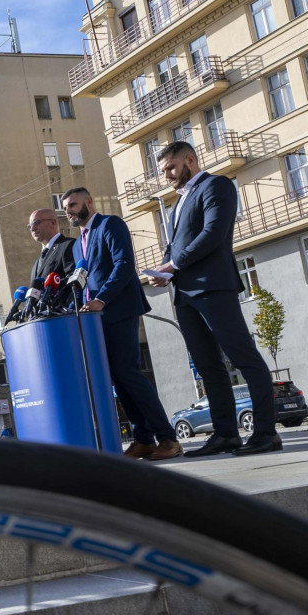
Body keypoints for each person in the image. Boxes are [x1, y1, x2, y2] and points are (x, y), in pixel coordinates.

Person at [149, 141, 281, 456]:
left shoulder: (216, 185)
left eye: (170, 167)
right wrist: (165, 271)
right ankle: (225, 435)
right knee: (208, 366)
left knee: (244, 358)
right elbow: (175, 248)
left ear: (190, 160)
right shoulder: (176, 203)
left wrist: (173, 264)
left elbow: (213, 233)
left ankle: (266, 433)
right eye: (163, 170)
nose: (166, 175)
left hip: (214, 288)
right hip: (183, 293)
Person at [62, 187, 182, 461]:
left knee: (128, 373)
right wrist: (73, 306)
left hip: (119, 310)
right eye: (66, 208)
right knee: (118, 377)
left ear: (89, 202)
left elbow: (124, 264)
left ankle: (168, 439)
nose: (68, 211)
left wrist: (102, 299)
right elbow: (84, 279)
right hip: (96, 318)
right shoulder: (79, 240)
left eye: (73, 204)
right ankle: (144, 439)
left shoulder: (110, 224)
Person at [27, 208, 76, 283]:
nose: (33, 229)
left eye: (36, 223)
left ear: (53, 223)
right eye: (29, 226)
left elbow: (73, 279)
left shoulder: (68, 245)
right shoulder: (37, 263)